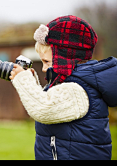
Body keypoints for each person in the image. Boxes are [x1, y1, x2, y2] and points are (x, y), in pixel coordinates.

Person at [9, 15, 117, 160]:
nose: (44, 69)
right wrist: (33, 82)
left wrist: (23, 80)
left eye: (47, 62)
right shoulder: (74, 84)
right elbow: (51, 101)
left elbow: (43, 108)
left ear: (64, 58)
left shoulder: (76, 90)